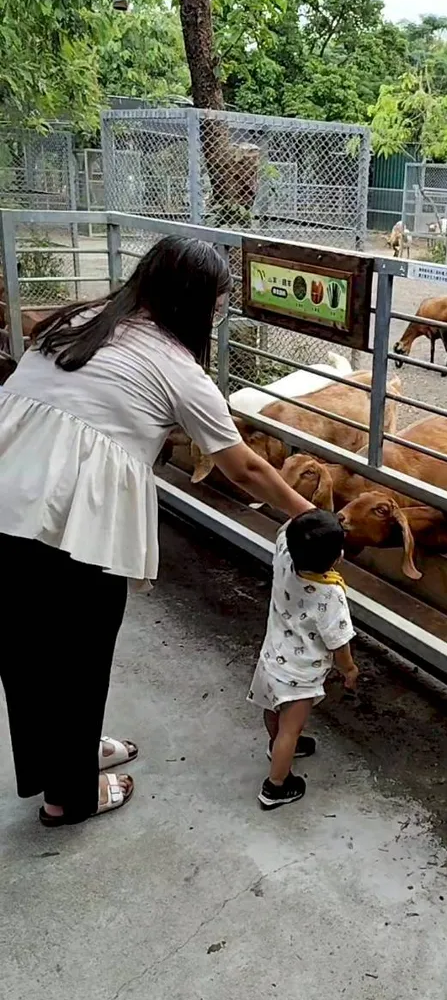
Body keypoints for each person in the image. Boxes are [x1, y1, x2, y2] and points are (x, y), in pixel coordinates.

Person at [0, 235, 313, 827]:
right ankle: (69, 796)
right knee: (76, 653)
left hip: (6, 489)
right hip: (70, 523)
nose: (219, 317)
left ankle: (67, 757)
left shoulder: (78, 319)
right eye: (218, 305)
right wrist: (309, 515)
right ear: (193, 302)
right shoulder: (176, 365)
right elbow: (242, 464)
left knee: (27, 650)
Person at [249, 509, 358, 809]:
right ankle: (276, 786)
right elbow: (338, 641)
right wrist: (348, 669)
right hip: (299, 677)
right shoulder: (330, 595)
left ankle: (278, 747)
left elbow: (287, 528)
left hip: (271, 660)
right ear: (337, 558)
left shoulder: (284, 555)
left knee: (273, 713)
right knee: (290, 729)